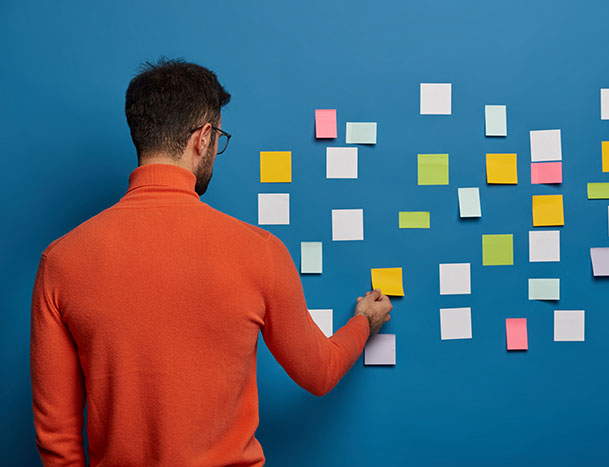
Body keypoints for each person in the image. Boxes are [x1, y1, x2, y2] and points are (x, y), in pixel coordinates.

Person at [29, 58, 393, 466]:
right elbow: (319, 373)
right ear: (203, 137)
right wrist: (364, 321)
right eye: (218, 137)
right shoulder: (260, 251)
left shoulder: (60, 261)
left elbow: (58, 442)